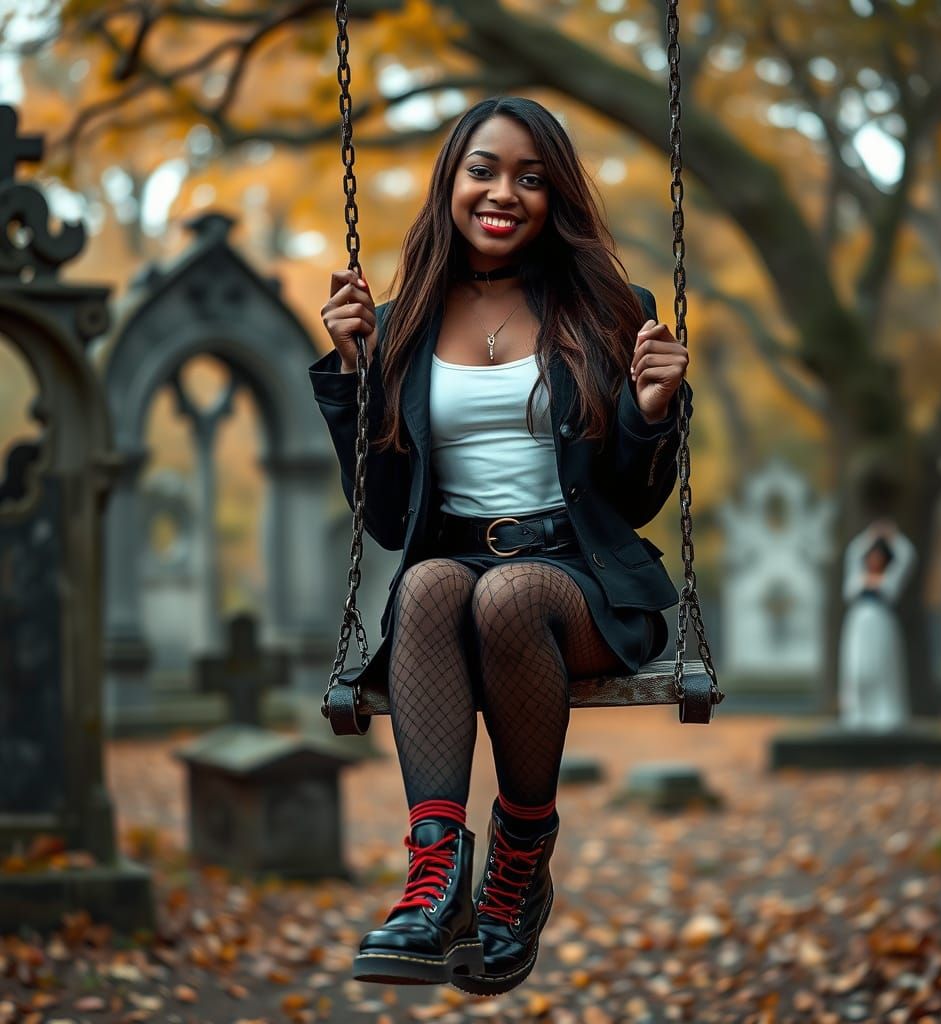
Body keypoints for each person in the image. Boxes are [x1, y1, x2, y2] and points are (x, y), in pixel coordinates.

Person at [310, 96, 690, 995]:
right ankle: (434, 880)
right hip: (454, 576)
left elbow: (634, 502)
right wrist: (352, 374)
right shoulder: (400, 324)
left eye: (531, 177)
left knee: (509, 592)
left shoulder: (608, 309)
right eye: (484, 169)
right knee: (433, 583)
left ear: (555, 197)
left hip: (581, 585)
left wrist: (649, 414)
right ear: (452, 182)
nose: (504, 192)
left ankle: (520, 857)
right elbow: (387, 514)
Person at [837, 519, 917, 730]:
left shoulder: (890, 579)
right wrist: (869, 536)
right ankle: (858, 712)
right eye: (872, 556)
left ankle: (884, 714)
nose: (874, 560)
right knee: (857, 668)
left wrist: (894, 537)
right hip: (859, 626)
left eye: (879, 557)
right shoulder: (857, 577)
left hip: (881, 625)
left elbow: (907, 557)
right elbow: (853, 554)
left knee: (881, 668)